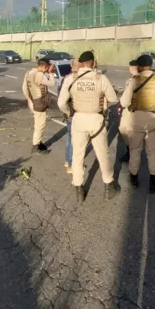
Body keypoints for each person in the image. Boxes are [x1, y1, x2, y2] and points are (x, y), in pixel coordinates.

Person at [57, 51, 119, 203]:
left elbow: (60, 103)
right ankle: (108, 186)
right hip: (96, 120)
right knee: (102, 154)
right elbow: (113, 98)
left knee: (77, 156)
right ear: (93, 62)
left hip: (78, 119)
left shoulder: (71, 78)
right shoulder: (101, 78)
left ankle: (79, 190)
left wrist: (69, 113)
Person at [120, 54, 155, 194]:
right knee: (152, 152)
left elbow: (124, 102)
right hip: (154, 118)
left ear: (140, 67)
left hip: (136, 119)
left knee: (135, 151)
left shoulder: (134, 81)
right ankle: (153, 183)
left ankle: (134, 179)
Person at [23, 58, 57, 154]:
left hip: (33, 101)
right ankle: (36, 146)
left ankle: (38, 142)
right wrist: (51, 73)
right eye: (48, 67)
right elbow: (52, 83)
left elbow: (24, 87)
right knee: (40, 125)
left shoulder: (29, 73)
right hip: (39, 103)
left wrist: (29, 100)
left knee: (38, 123)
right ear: (45, 66)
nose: (48, 68)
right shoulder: (39, 74)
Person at [118, 60, 140, 163]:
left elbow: (125, 100)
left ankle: (131, 153)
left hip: (132, 110)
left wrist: (120, 105)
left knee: (124, 129)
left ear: (131, 69)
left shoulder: (132, 81)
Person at [63, 58, 81, 173]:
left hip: (69, 113)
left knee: (70, 139)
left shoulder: (66, 78)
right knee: (76, 142)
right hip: (77, 114)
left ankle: (67, 161)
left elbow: (61, 100)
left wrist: (66, 111)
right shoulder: (81, 79)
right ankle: (71, 164)